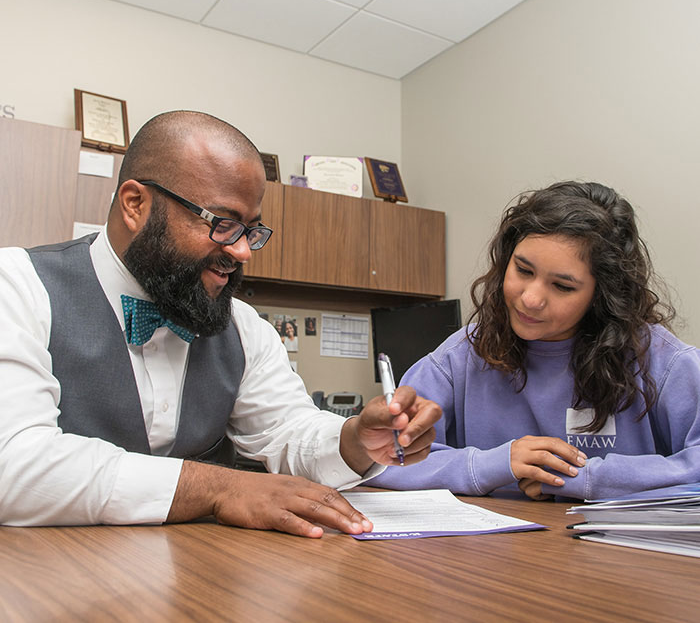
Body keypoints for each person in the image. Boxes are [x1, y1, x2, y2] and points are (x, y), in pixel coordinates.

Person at [0, 110, 441, 536]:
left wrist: (356, 442)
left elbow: (287, 432)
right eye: (223, 223)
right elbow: (14, 463)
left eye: (250, 230)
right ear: (135, 205)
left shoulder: (243, 326)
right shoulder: (16, 286)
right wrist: (217, 488)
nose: (243, 252)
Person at [368, 181, 700, 501]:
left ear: (602, 294)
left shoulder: (663, 361)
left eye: (563, 286)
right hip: (497, 554)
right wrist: (494, 464)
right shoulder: (460, 357)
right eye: (523, 270)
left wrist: (584, 479)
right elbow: (377, 460)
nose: (531, 299)